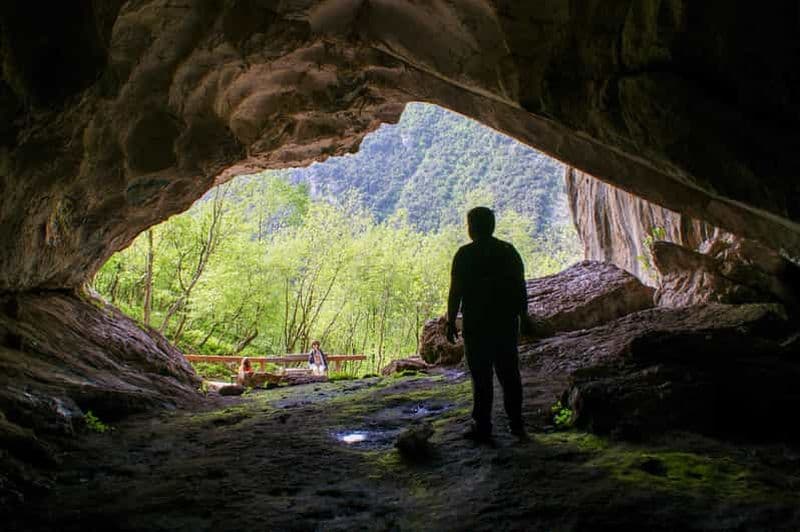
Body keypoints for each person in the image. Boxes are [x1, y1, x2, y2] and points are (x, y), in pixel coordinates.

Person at [446, 206, 529, 443]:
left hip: (476, 324)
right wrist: (524, 318)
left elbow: (456, 292)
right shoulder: (507, 251)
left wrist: (451, 322)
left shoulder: (464, 254)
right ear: (492, 226)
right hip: (505, 322)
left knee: (481, 377)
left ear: (471, 228)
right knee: (510, 374)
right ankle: (516, 423)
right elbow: (520, 288)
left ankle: (482, 425)